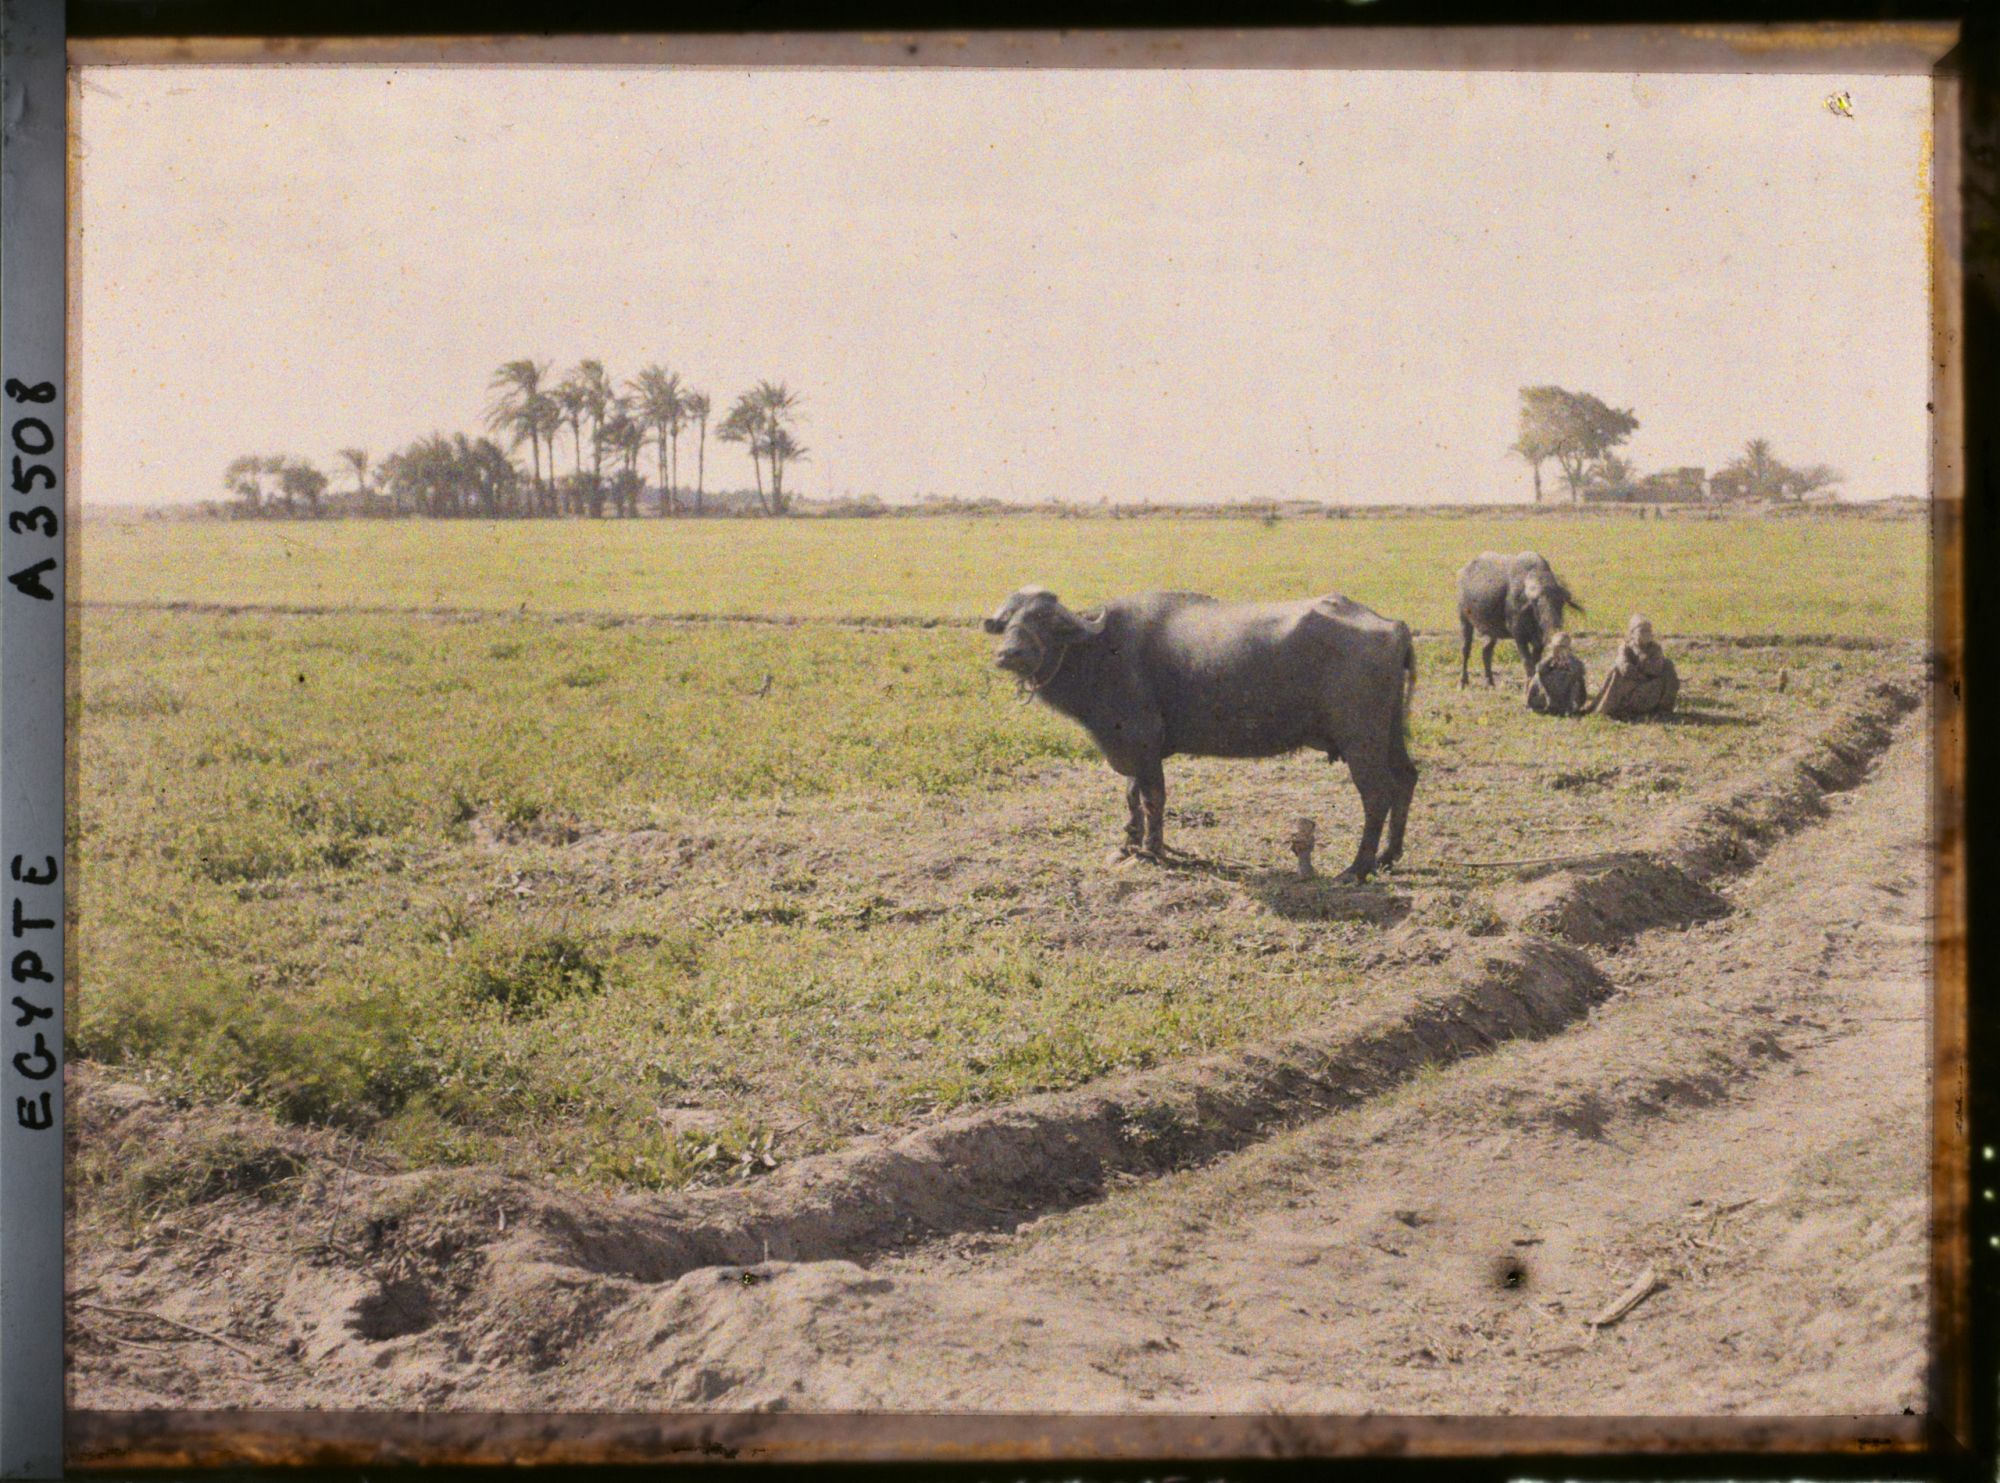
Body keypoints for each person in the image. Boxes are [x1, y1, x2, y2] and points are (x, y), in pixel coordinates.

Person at [1584, 615, 1679, 719]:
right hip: (1629, 688)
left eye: (1648, 631)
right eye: (1642, 631)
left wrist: (1641, 665)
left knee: (1668, 665)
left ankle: (1664, 709)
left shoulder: (1655, 648)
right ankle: (1607, 708)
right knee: (1615, 670)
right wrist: (1641, 672)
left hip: (1650, 688)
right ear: (1632, 634)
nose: (1646, 634)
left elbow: (1656, 668)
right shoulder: (1625, 647)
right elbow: (1624, 667)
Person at [1526, 630, 1588, 716]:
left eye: (1563, 647)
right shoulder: (1549, 659)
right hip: (1550, 691)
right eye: (1558, 647)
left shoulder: (1573, 661)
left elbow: (1580, 671)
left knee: (1577, 679)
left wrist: (1569, 660)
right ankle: (1542, 704)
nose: (1560, 650)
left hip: (1567, 692)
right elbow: (1539, 669)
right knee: (1536, 676)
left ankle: (1570, 707)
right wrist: (1551, 657)